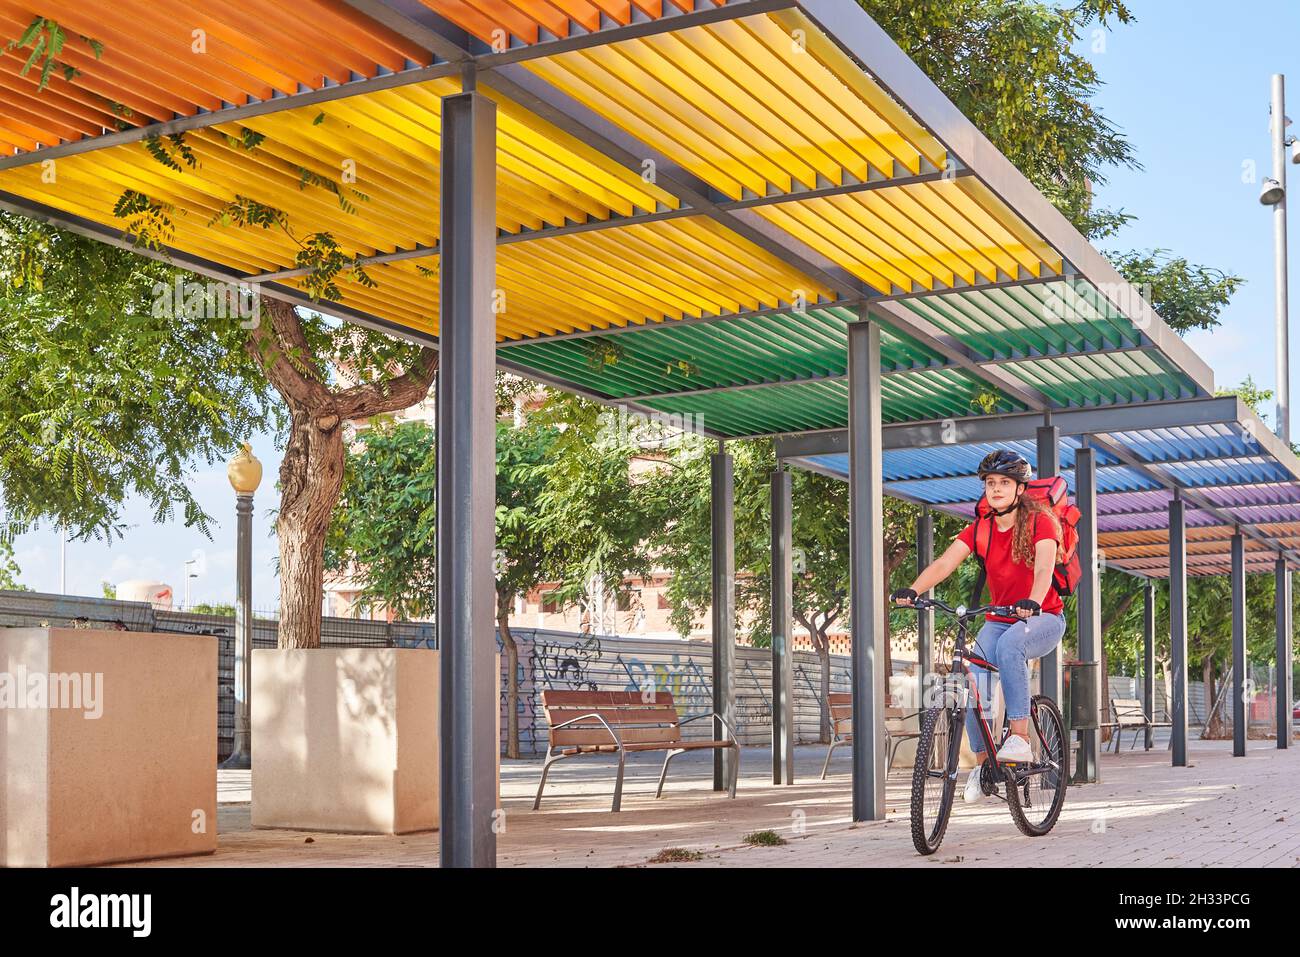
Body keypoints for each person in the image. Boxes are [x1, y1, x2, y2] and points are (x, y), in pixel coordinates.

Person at [890, 450, 1067, 804]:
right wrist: (914, 589)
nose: (996, 489)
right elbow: (944, 563)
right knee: (974, 680)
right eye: (990, 483)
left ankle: (1020, 736)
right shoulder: (980, 528)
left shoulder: (1041, 523)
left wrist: (1032, 600)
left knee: (1010, 647)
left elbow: (1046, 568)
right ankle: (985, 766)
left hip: (1043, 617)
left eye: (1004, 483)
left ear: (1020, 490)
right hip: (999, 617)